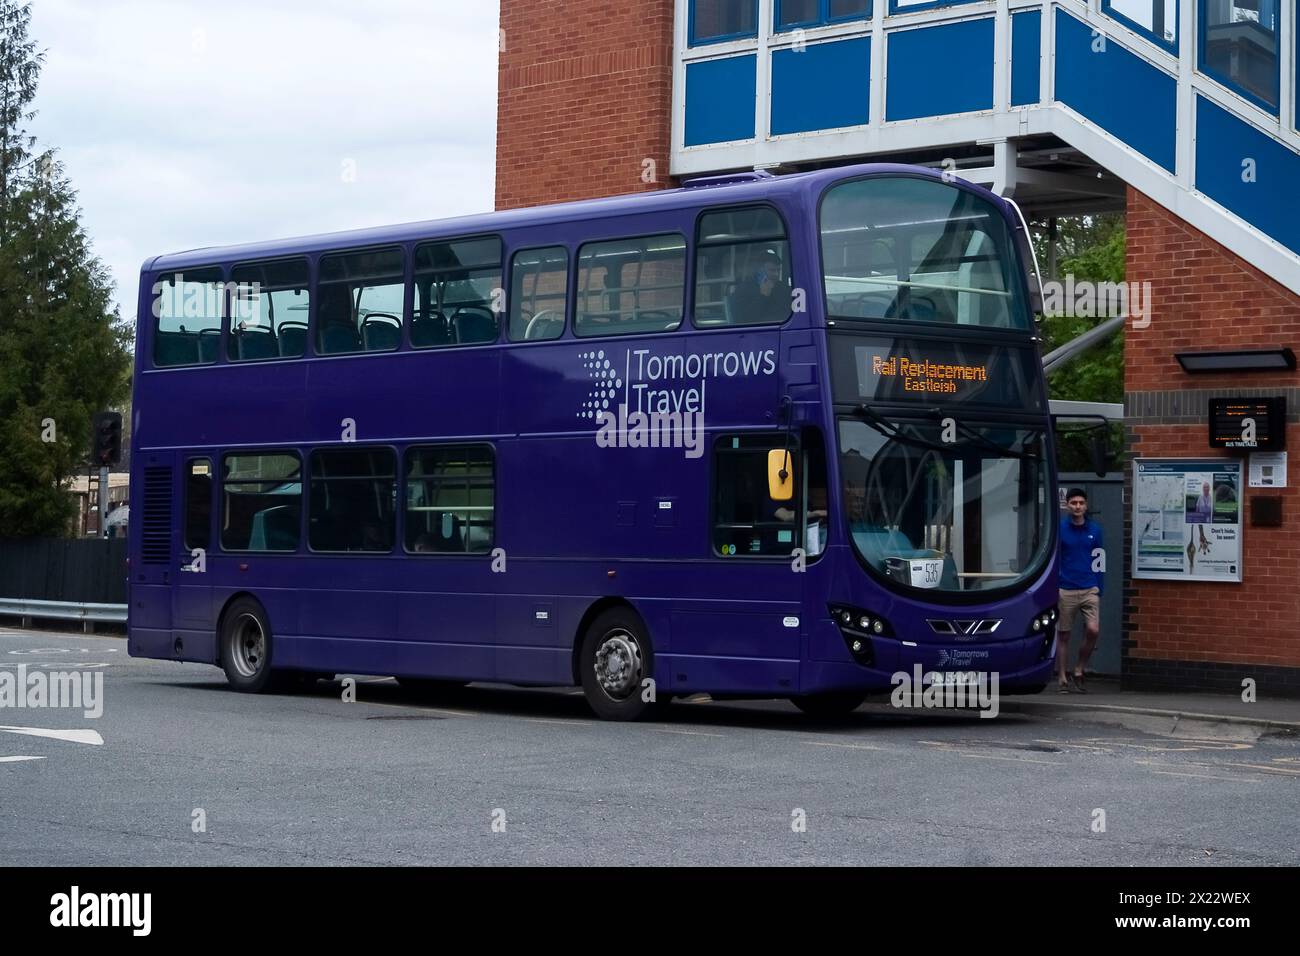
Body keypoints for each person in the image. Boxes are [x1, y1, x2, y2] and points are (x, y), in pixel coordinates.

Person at [1056, 488, 1103, 693]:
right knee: (1064, 634)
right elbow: (1054, 558)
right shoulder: (1060, 529)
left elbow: (1100, 559)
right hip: (1065, 588)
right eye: (1073, 502)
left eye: (1081, 503)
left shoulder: (1095, 530)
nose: (1077, 506)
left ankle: (1079, 669)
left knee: (1093, 630)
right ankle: (1062, 677)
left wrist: (1099, 586)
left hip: (1089, 587)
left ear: (1086, 506)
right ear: (1067, 505)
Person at [732, 250, 790, 325]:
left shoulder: (784, 288)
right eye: (772, 270)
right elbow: (743, 319)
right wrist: (763, 297)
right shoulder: (743, 290)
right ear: (760, 270)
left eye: (778, 270)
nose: (776, 274)